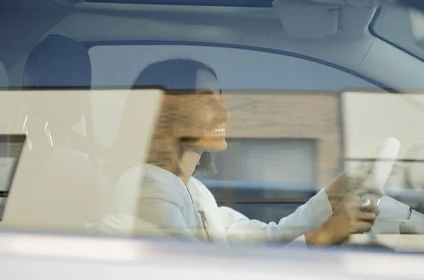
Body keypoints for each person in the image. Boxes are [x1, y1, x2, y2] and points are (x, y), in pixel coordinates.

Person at [102, 59, 380, 246]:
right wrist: (323, 236)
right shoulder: (146, 185)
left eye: (220, 99)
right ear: (167, 112)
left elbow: (270, 235)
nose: (224, 113)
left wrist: (334, 194)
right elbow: (191, 279)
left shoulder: (196, 192)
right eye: (206, 99)